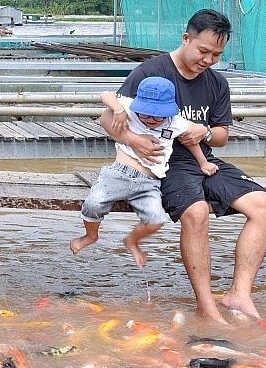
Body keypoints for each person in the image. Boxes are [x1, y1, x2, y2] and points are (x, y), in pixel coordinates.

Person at [100, 9, 266, 324]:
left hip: (203, 158)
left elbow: (222, 135)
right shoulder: (151, 73)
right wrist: (136, 141)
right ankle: (206, 306)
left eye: (217, 55)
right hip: (162, 162)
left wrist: (204, 132)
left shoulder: (217, 83)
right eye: (203, 51)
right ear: (186, 38)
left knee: (264, 206)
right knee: (196, 213)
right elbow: (108, 120)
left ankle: (239, 293)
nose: (209, 60)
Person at [71, 76, 217, 268]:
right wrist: (118, 110)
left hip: (149, 182)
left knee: (156, 219)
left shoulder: (176, 122)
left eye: (158, 116)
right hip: (118, 175)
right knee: (93, 203)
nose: (152, 120)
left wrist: (203, 162)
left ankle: (132, 240)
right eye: (146, 114)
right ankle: (90, 236)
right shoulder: (129, 107)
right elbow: (105, 94)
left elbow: (191, 141)